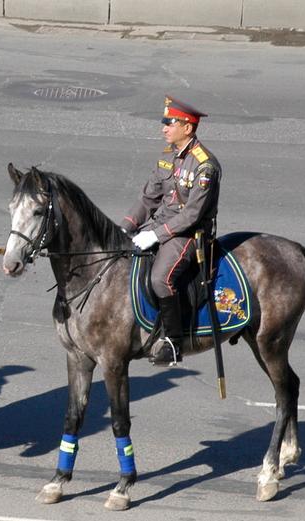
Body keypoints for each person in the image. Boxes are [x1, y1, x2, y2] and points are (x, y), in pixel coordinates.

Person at [121, 96, 221, 366]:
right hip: (159, 224)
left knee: (160, 279)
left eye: (170, 123)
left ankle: (174, 342)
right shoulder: (168, 156)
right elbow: (148, 198)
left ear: (187, 128)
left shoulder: (205, 166)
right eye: (164, 122)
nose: (164, 128)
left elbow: (191, 214)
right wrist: (125, 227)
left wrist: (155, 235)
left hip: (187, 234)